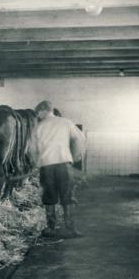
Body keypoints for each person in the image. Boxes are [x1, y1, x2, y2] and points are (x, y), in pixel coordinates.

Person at [30, 100, 85, 237]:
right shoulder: (66, 122)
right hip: (64, 164)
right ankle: (71, 229)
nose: (38, 116)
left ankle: (51, 228)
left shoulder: (38, 127)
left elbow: (31, 149)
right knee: (67, 195)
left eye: (38, 113)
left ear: (43, 111)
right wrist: (75, 156)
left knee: (49, 197)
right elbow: (79, 138)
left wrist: (35, 162)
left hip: (46, 165)